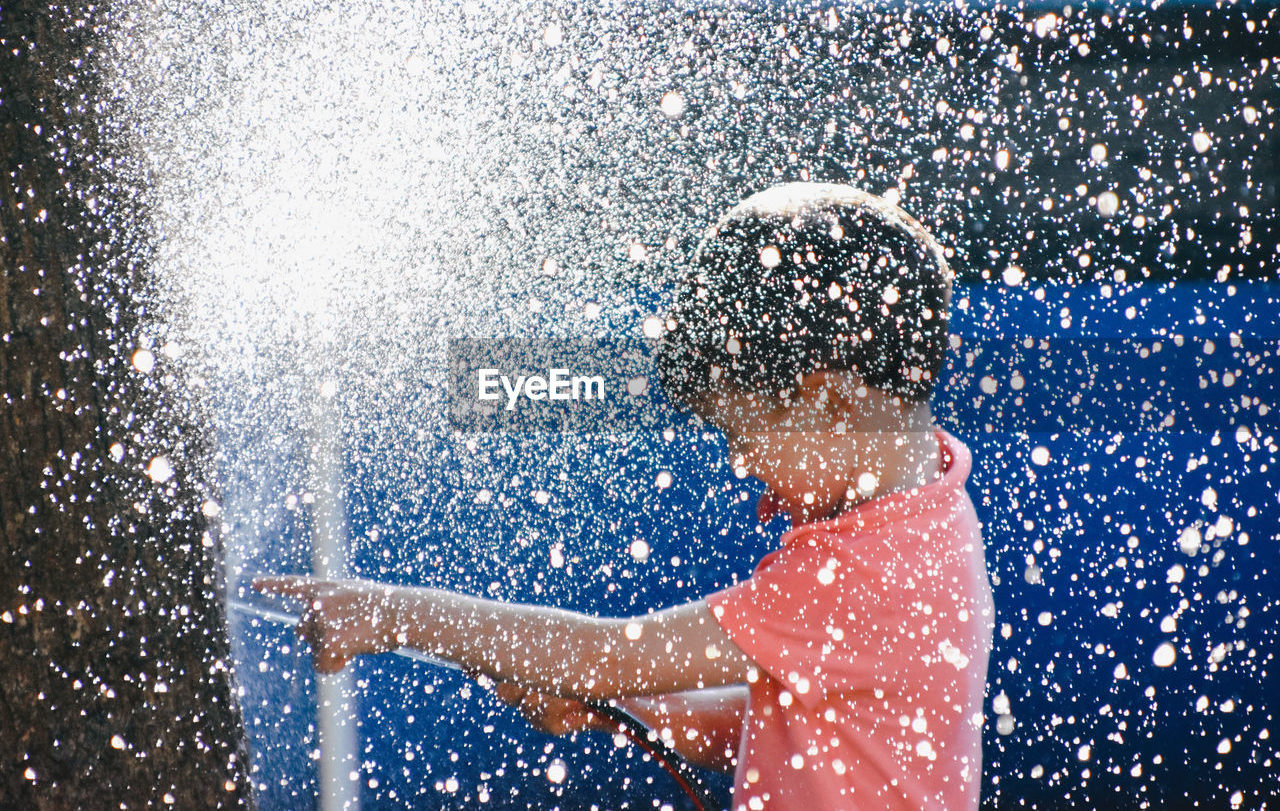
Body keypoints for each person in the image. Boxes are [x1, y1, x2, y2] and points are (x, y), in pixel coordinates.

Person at [255, 181, 995, 809]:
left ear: (825, 398)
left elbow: (604, 655)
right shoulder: (930, 511)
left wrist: (386, 614)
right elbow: (785, 726)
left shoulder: (865, 570)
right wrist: (633, 711)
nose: (744, 471)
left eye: (743, 434)